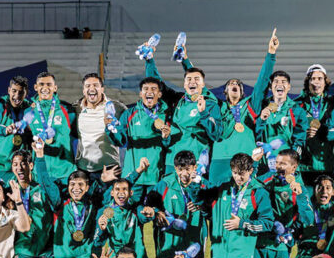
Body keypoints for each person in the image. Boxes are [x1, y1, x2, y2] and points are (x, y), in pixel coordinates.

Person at [189, 153, 274, 258]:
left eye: (242, 174)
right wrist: (195, 182)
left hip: (241, 254)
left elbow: (267, 223)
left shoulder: (259, 192)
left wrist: (242, 224)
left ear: (250, 171)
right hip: (219, 251)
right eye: (235, 173)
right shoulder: (223, 188)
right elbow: (199, 199)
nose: (238, 178)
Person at [209, 28, 279, 183]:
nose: (235, 84)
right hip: (220, 159)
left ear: (242, 92)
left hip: (247, 157)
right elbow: (196, 83)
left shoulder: (249, 105)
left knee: (246, 200)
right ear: (225, 91)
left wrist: (271, 54)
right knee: (216, 199)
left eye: (238, 84)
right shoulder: (217, 106)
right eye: (231, 84)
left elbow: (261, 84)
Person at [144, 38, 223, 173]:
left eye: (197, 80)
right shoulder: (177, 100)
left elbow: (217, 135)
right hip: (172, 160)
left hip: (196, 161)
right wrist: (149, 60)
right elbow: (157, 85)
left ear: (203, 85)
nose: (192, 82)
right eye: (189, 80)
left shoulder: (210, 104)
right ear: (184, 84)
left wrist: (204, 113)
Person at [105, 77, 171, 203]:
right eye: (145, 89)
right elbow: (120, 141)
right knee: (130, 211)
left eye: (153, 89)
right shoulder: (129, 114)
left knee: (154, 214)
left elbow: (169, 146)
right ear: (141, 93)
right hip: (133, 175)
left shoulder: (166, 114)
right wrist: (110, 128)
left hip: (156, 175)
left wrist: (166, 137)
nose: (149, 92)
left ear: (160, 94)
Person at [148, 150, 208, 258]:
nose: (184, 173)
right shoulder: (165, 183)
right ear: (175, 168)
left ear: (194, 167)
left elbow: (213, 207)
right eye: (180, 169)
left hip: (194, 240)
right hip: (170, 242)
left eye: (188, 169)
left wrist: (201, 206)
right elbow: (149, 202)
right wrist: (157, 212)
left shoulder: (203, 184)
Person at [295, 64, 334, 188]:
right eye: (312, 79)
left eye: (320, 78)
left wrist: (326, 131)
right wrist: (303, 135)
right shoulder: (296, 105)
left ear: (325, 82)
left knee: (328, 204)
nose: (316, 82)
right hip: (305, 166)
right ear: (307, 82)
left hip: (329, 164)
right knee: (306, 203)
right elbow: (288, 132)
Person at [93, 173, 153, 258]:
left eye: (124, 189)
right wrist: (100, 230)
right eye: (117, 189)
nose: (121, 193)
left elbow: (145, 216)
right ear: (112, 193)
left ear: (131, 193)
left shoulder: (135, 209)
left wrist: (151, 213)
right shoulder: (104, 213)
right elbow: (97, 242)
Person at [10, 150, 53, 258]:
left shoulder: (42, 188)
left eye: (23, 164)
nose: (19, 168)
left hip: (44, 251)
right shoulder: (8, 191)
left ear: (31, 166)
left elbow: (55, 202)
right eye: (15, 164)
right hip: (21, 253)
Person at [74, 73, 127, 181]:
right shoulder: (76, 108)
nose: (91, 88)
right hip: (83, 169)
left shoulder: (117, 108)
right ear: (83, 90)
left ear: (102, 89)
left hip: (110, 168)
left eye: (95, 85)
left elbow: (124, 137)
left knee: (109, 198)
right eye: (88, 86)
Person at [26, 72, 76, 183]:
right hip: (40, 173)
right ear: (35, 87)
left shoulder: (66, 110)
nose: (45, 88)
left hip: (64, 172)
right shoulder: (30, 112)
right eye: (41, 84)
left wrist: (54, 137)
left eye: (49, 84)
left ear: (55, 88)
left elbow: (67, 134)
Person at [256, 69, 308, 174]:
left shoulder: (297, 110)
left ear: (289, 87)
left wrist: (291, 160)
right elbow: (254, 134)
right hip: (263, 164)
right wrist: (261, 120)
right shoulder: (261, 107)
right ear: (270, 87)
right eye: (276, 82)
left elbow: (300, 140)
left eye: (283, 82)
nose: (280, 84)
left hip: (285, 164)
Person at [0, 76, 31, 182]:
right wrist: (4, 130)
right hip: (2, 166)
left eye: (21, 92)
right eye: (14, 91)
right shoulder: (1, 106)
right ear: (9, 90)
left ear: (26, 93)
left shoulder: (29, 108)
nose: (17, 96)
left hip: (21, 166)